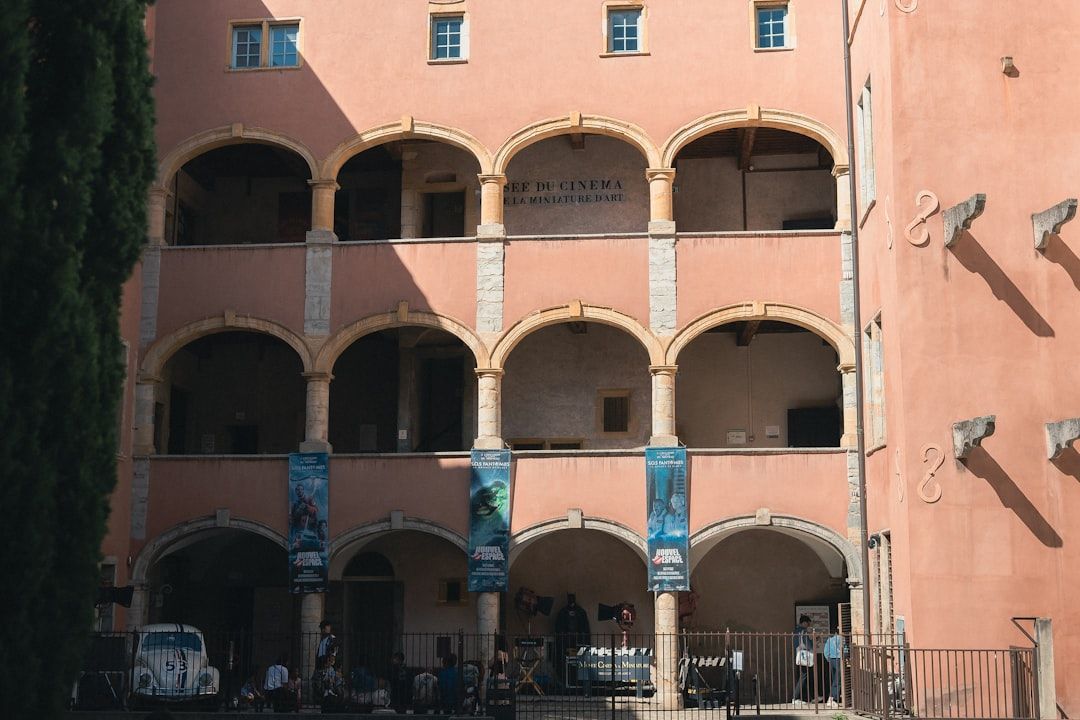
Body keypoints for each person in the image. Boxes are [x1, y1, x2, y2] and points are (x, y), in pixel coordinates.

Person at [791, 615, 814, 705]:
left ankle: (807, 697)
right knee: (803, 676)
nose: (808, 625)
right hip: (804, 656)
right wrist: (814, 643)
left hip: (798, 655)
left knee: (803, 676)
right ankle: (795, 697)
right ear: (804, 622)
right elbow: (807, 644)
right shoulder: (803, 631)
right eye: (808, 623)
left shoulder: (795, 631)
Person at [824, 627, 844, 708]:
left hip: (831, 659)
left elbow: (825, 651)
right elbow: (844, 649)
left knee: (834, 679)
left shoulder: (829, 639)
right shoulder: (841, 638)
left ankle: (830, 699)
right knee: (838, 680)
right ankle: (834, 699)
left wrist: (828, 658)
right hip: (839, 659)